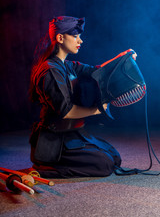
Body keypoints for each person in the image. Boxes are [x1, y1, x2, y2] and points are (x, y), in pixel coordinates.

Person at [29, 16, 122, 178]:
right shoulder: (51, 70)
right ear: (60, 38)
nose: (80, 40)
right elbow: (66, 112)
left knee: (114, 157)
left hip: (72, 134)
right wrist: (96, 110)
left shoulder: (67, 65)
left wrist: (122, 59)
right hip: (54, 140)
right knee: (105, 164)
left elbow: (96, 71)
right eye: (75, 36)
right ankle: (45, 169)